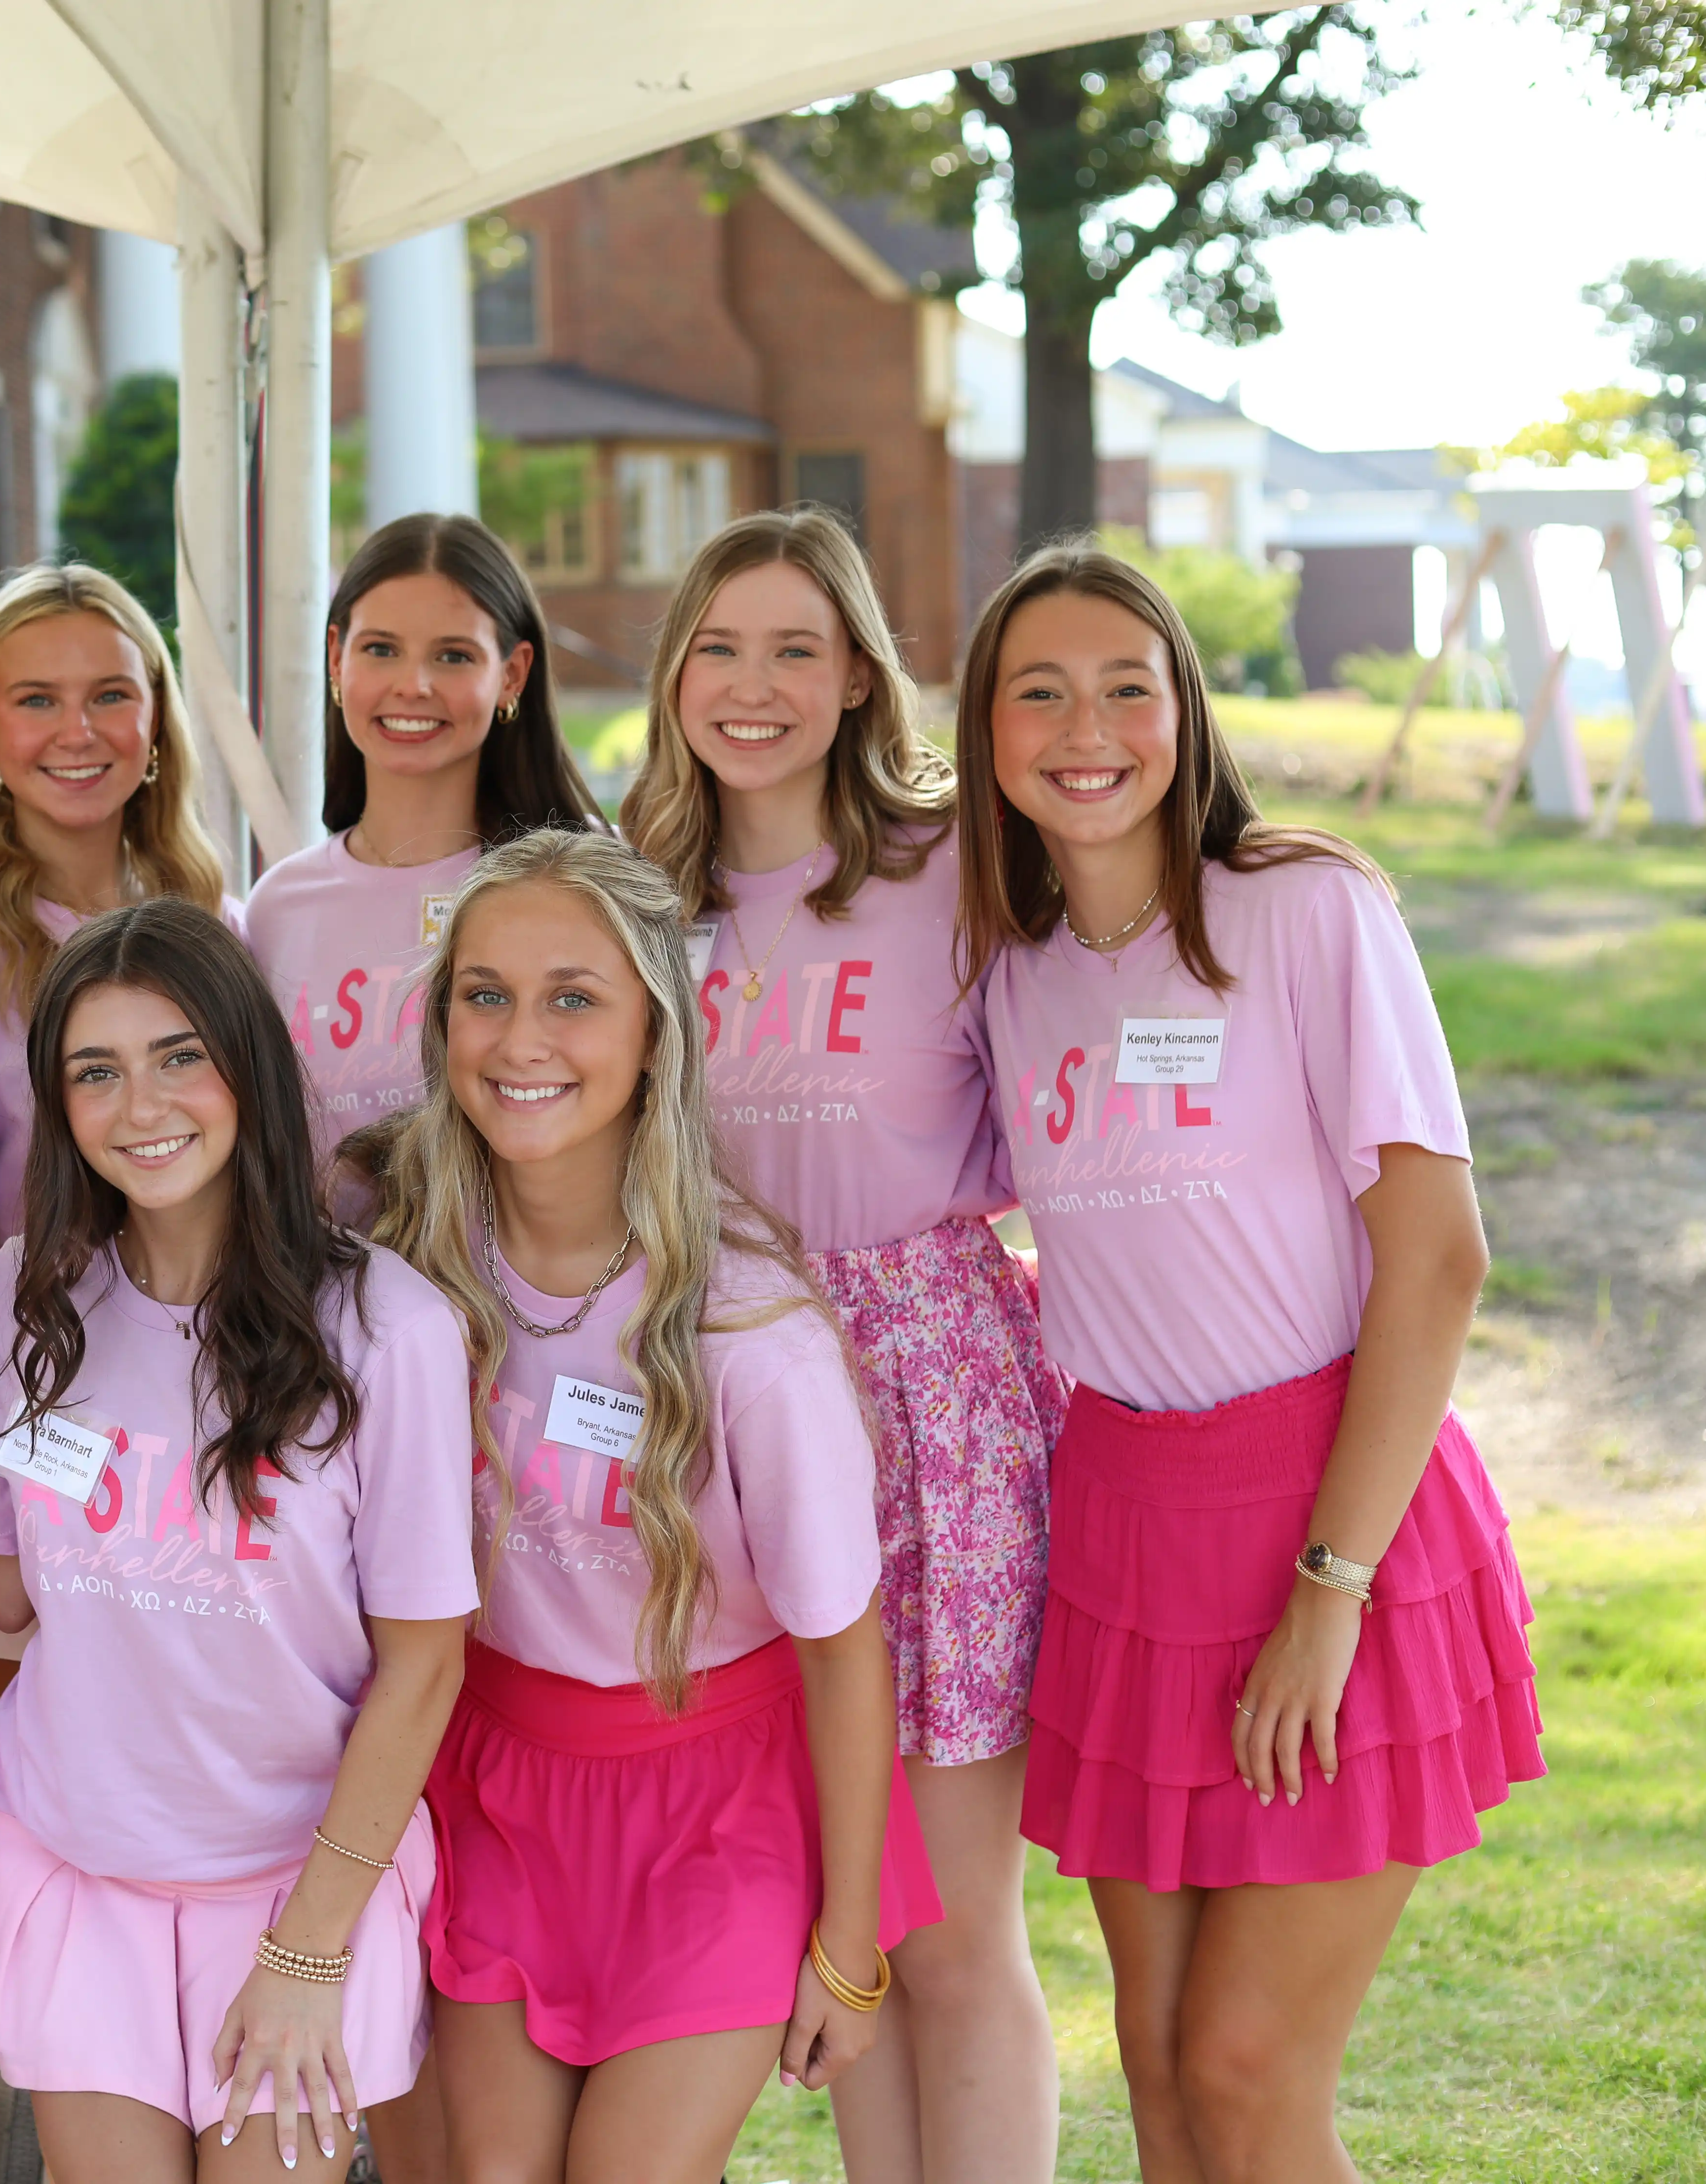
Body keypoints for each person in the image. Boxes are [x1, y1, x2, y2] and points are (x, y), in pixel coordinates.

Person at [954, 543, 1540, 2184]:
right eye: (1041, 691)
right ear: (988, 732)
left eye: (1129, 687)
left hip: (1333, 1515)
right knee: (1155, 2076)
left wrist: (1330, 1587)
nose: (1089, 729)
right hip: (1130, 1531)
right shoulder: (1011, 970)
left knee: (1245, 2072)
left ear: (1185, 714)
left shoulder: (1303, 910)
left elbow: (1439, 1260)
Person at [354, 830, 937, 2184]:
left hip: (711, 1816)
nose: (520, 1039)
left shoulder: (753, 1332)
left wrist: (848, 1944)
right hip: (497, 1785)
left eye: (574, 997)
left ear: (656, 1036)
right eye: (484, 995)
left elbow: (845, 1650)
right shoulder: (400, 1273)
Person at [0, 899, 479, 2184]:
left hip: (291, 1886)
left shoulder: (386, 1328)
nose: (140, 1103)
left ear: (247, 1070)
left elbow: (424, 1667)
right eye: (94, 1071)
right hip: (77, 1862)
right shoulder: (32, 1298)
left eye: (178, 1057)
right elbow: (11, 1588)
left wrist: (312, 1952)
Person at [617, 508, 1067, 2183]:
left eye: (798, 648)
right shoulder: (635, 895)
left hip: (935, 1397)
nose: (755, 686)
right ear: (672, 678)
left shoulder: (955, 868)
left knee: (952, 1919)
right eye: (721, 648)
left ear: (861, 674)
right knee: (839, 1908)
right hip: (719, 1400)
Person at [0, 564, 232, 1265]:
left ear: (155, 715)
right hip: (47, 1363)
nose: (79, 732)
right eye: (38, 701)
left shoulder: (220, 927)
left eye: (111, 696)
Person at [244, 513, 602, 1164]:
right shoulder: (277, 909)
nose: (414, 685)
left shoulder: (590, 881)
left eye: (453, 655)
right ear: (335, 656)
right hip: (325, 1267)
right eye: (381, 649)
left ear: (513, 675)